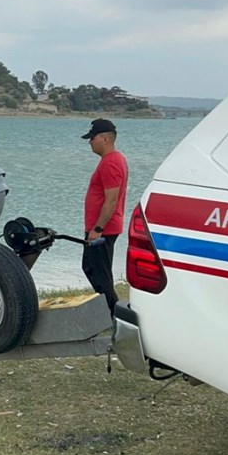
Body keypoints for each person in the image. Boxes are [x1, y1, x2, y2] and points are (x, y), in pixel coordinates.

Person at [80, 118, 128, 316]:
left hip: (103, 229)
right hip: (99, 228)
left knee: (99, 274)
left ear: (105, 138)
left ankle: (114, 315)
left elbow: (111, 200)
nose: (90, 141)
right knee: (91, 268)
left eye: (93, 137)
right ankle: (110, 313)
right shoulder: (109, 161)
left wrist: (97, 229)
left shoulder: (111, 163)